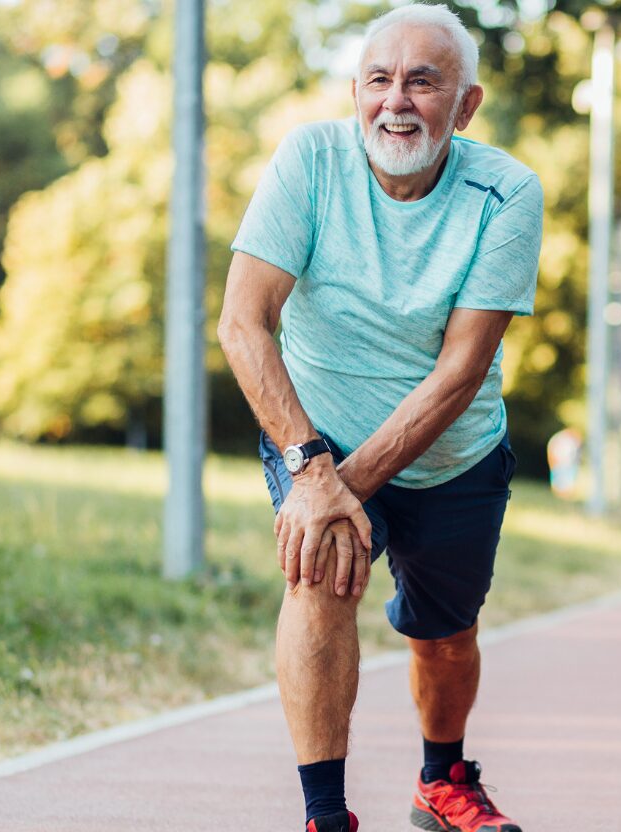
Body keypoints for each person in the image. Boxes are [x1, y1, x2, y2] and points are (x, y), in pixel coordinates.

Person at [217, 6, 541, 831]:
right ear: (356, 90)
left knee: (446, 635)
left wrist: (344, 486)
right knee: (319, 574)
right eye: (378, 80)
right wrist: (315, 476)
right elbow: (242, 323)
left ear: (465, 106)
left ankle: (442, 779)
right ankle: (326, 815)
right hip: (314, 435)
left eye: (424, 82)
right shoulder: (310, 161)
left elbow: (461, 371)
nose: (396, 102)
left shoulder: (506, 192)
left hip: (451, 454)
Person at [545, 425, 582, 498]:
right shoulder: (559, 439)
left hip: (569, 464)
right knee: (559, 482)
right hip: (559, 463)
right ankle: (559, 496)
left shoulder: (572, 441)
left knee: (568, 484)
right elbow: (552, 450)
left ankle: (566, 496)